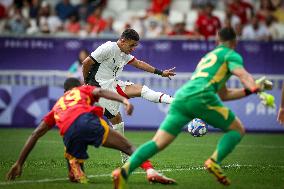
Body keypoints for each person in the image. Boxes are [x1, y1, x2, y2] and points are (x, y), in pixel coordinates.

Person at [112, 27, 274, 189]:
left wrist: (249, 90)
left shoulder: (208, 57)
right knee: (237, 129)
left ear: (217, 41)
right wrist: (257, 89)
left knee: (157, 143)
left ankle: (124, 172)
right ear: (235, 42)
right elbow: (243, 75)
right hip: (202, 97)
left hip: (182, 97)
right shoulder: (231, 55)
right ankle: (213, 162)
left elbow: (224, 94)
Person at [6, 78, 175, 184]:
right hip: (87, 121)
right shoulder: (82, 89)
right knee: (128, 147)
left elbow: (35, 133)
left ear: (65, 92)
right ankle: (150, 171)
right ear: (78, 87)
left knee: (74, 173)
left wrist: (19, 163)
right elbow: (100, 91)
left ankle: (75, 168)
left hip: (69, 132)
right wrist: (124, 100)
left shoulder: (57, 106)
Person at [82, 28, 176, 162]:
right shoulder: (108, 47)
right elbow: (86, 63)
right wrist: (87, 83)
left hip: (112, 85)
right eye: (131, 45)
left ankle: (125, 158)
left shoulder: (124, 53)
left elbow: (139, 63)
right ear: (122, 40)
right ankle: (125, 157)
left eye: (135, 46)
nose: (133, 49)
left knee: (122, 114)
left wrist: (161, 73)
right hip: (101, 88)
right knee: (126, 110)